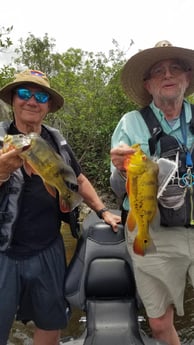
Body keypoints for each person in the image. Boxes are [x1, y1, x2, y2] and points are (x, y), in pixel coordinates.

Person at [0, 69, 121, 345]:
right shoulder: (1, 138)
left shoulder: (57, 141)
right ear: (12, 100)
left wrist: (102, 211)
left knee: (50, 324)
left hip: (47, 249)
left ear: (49, 106)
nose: (32, 101)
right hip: (3, 253)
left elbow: (77, 179)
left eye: (40, 96)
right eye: (23, 93)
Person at [110, 40, 194, 345]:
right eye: (158, 71)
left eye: (175, 68)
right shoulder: (130, 123)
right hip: (152, 228)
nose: (167, 74)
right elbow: (117, 189)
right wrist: (121, 170)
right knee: (159, 323)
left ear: (187, 77)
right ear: (148, 84)